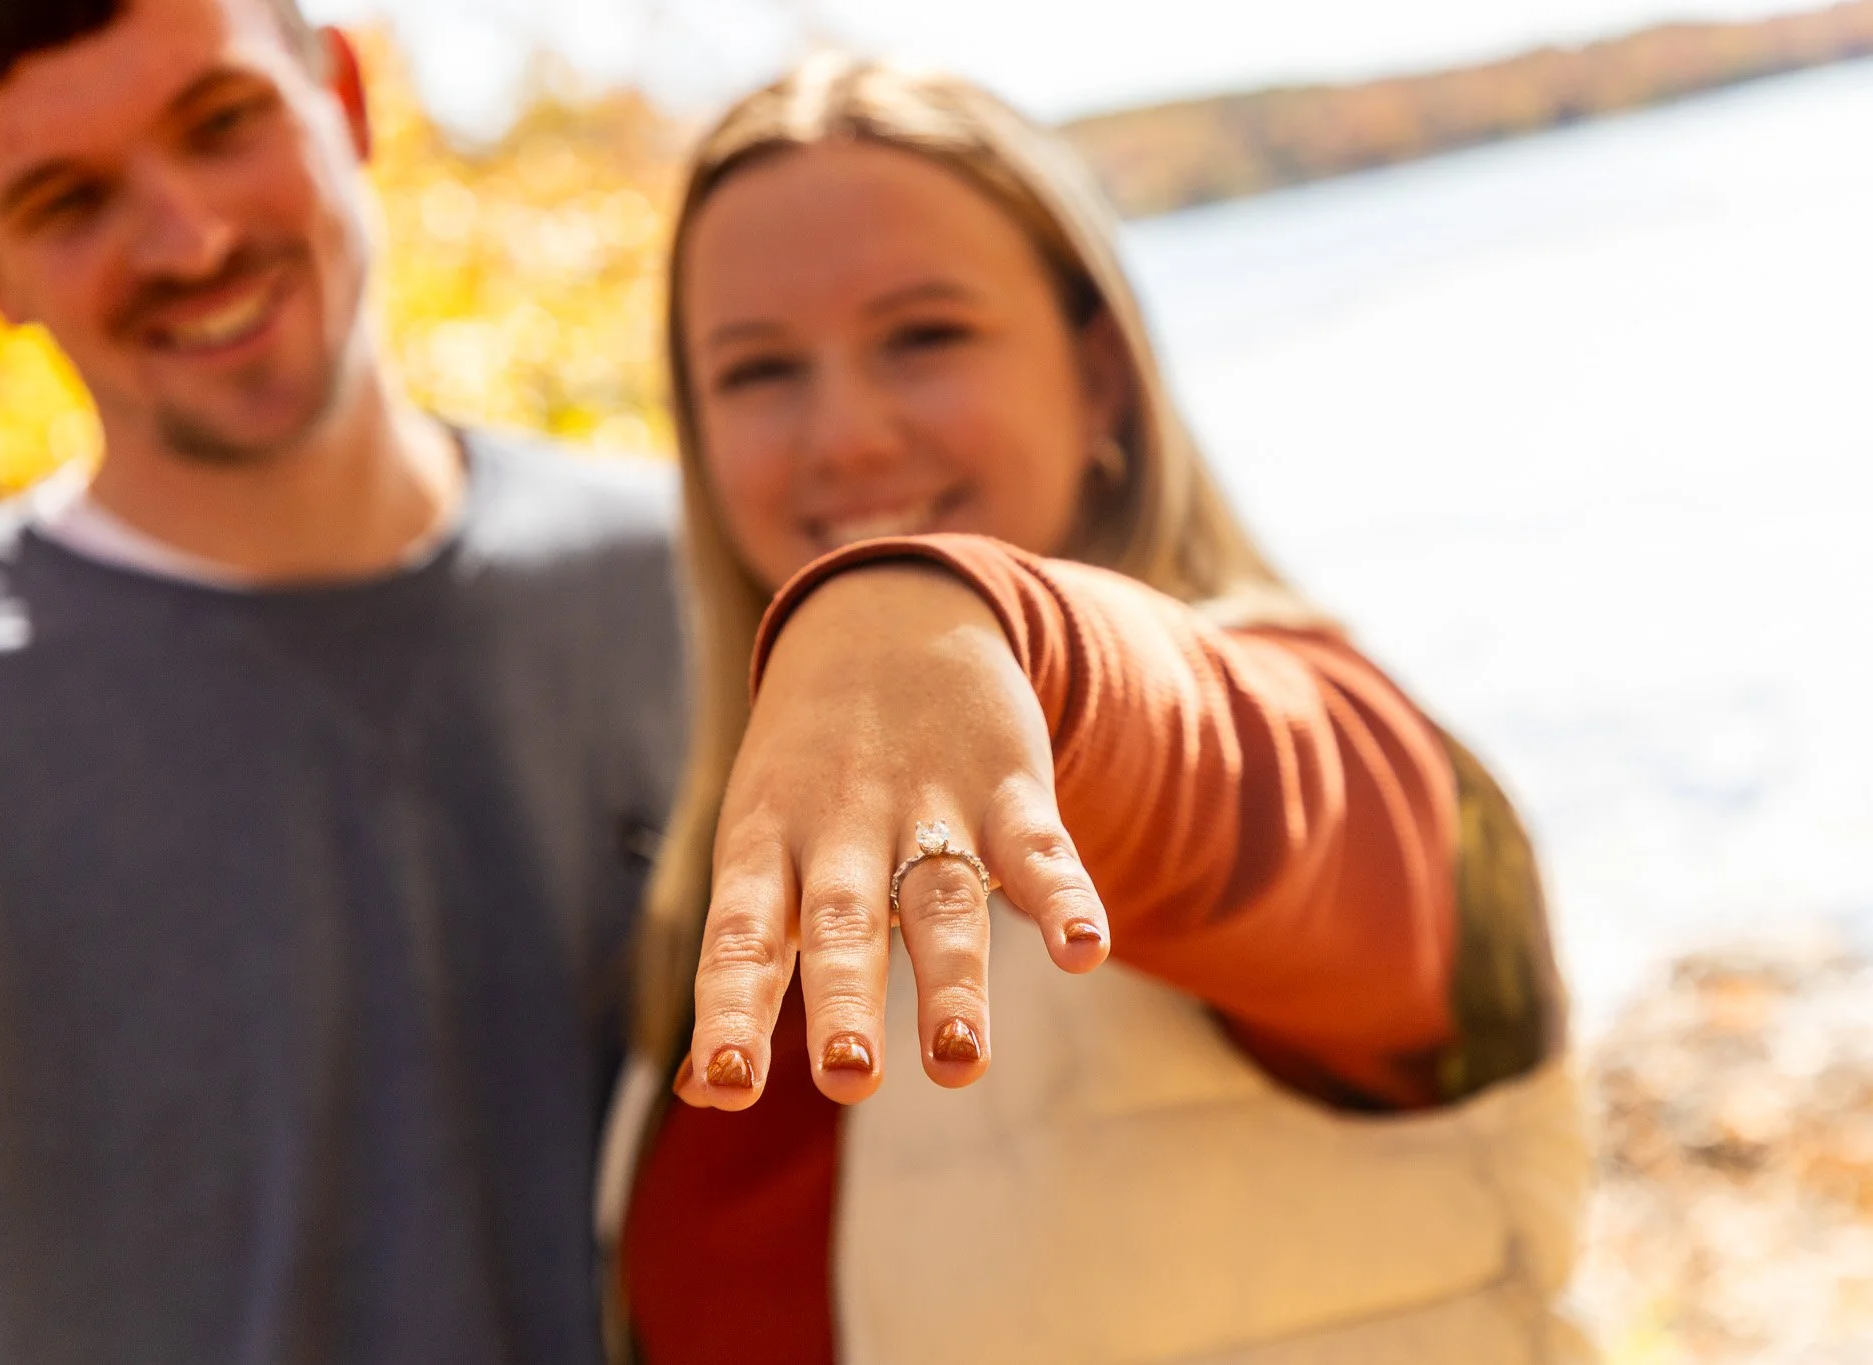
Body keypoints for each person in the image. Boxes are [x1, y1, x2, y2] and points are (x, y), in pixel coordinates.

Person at [605, 55, 1591, 1364]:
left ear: (1104, 381)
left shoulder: (1311, 739)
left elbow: (1249, 779)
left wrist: (958, 620)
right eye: (758, 370)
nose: (842, 434)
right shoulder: (725, 909)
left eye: (926, 335)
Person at [0, 1, 681, 1361]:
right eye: (67, 200)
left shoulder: (683, 588)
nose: (191, 240)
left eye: (221, 125)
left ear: (340, 92)